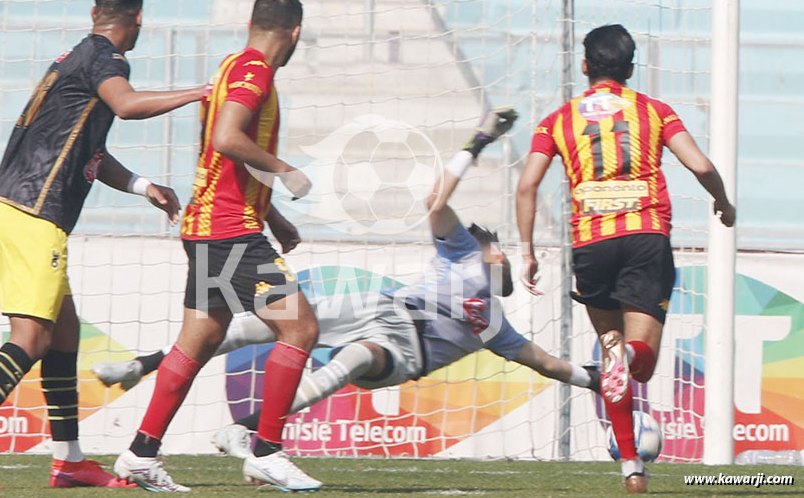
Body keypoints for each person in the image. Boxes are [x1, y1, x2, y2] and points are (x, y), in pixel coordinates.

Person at [95, 106, 601, 466]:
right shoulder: (461, 250)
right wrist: (479, 141)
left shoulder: (495, 325)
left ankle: (247, 429)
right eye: (496, 247)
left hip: (403, 353)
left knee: (353, 359)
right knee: (259, 324)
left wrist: (591, 377)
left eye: (502, 254)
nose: (498, 250)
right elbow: (435, 198)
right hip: (380, 308)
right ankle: (141, 364)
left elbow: (544, 362)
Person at [0, 0, 204, 491]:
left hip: (7, 207)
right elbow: (127, 104)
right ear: (138, 18)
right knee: (31, 337)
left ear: (94, 11)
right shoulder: (107, 61)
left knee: (65, 333)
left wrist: (144, 186)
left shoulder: (72, 59)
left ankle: (69, 460)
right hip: (34, 214)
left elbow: (88, 152)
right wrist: (200, 92)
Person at [112, 0, 320, 493]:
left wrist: (273, 217)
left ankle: (140, 453)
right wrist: (285, 169)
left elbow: (224, 161)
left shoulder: (232, 66)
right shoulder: (256, 73)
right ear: (293, 33)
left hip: (214, 225)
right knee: (301, 330)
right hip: (228, 231)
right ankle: (267, 452)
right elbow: (228, 140)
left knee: (197, 341)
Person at [515, 24, 735, 494]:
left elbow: (527, 185)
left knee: (609, 348)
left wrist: (529, 250)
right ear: (631, 69)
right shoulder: (654, 111)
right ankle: (626, 365)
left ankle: (631, 466)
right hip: (644, 238)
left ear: (585, 65)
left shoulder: (557, 120)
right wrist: (723, 202)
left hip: (591, 244)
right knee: (639, 363)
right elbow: (699, 164)